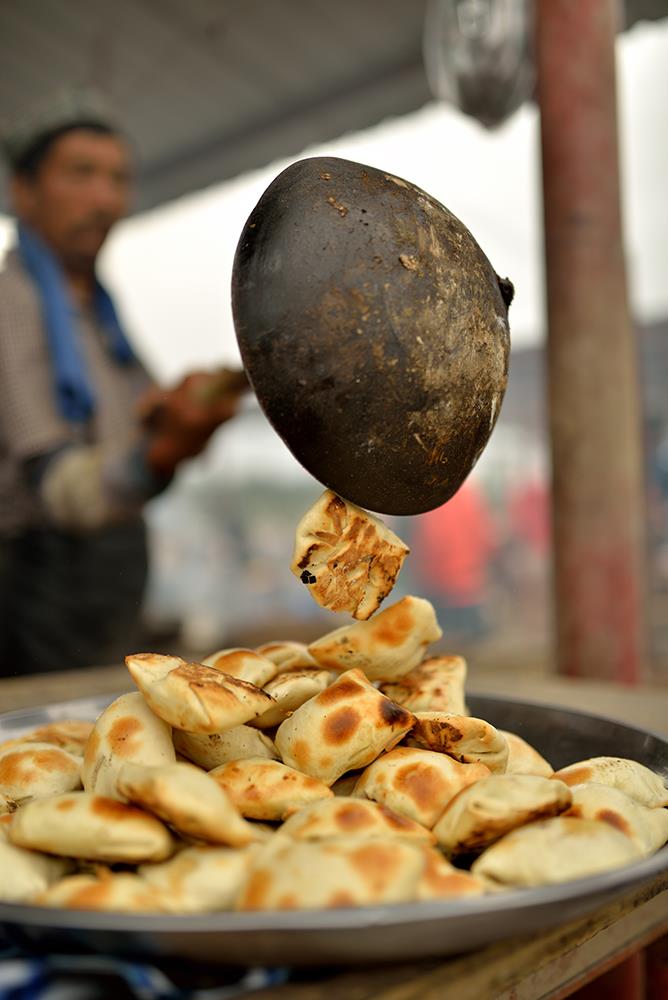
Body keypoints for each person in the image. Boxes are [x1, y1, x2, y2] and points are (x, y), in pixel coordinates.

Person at [0, 92, 246, 675]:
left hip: (106, 582)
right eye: (81, 174)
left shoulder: (99, 314)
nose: (106, 199)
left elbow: (142, 422)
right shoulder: (11, 306)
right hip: (35, 592)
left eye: (118, 179)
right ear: (23, 192)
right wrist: (159, 453)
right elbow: (63, 491)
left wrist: (188, 405)